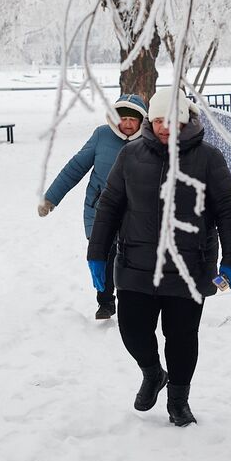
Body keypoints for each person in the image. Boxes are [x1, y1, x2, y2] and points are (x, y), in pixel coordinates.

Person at [86, 88, 231, 427]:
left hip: (190, 268)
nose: (163, 127)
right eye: (157, 120)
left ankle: (178, 400)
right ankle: (153, 373)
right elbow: (110, 205)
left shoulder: (209, 159)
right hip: (135, 266)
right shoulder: (130, 156)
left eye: (170, 120)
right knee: (132, 331)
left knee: (182, 338)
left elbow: (228, 211)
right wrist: (97, 253)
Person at [38, 94, 148, 320]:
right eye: (123, 118)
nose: (127, 124)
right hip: (100, 210)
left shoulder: (148, 141)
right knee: (104, 256)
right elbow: (75, 168)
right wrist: (51, 198)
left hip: (135, 213)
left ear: (141, 121)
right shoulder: (102, 136)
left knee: (132, 259)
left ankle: (131, 301)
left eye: (132, 119)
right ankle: (106, 302)